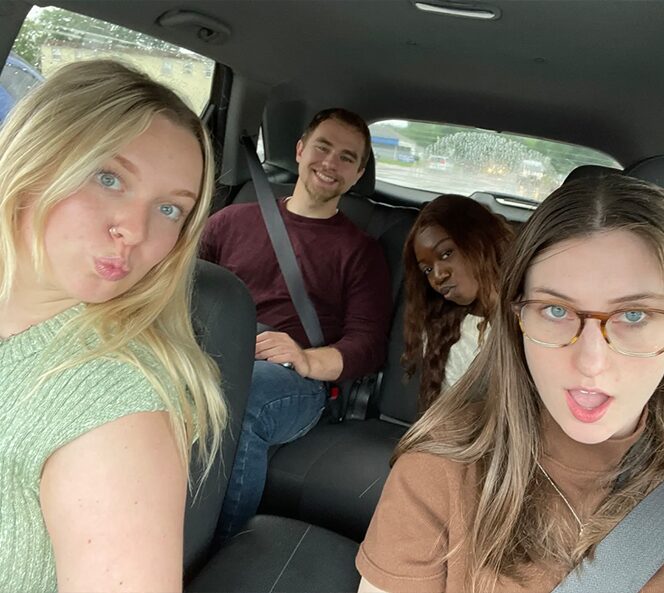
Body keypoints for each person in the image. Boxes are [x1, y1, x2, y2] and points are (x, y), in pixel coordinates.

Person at [356, 174, 664, 593]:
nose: (591, 363)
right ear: (518, 318)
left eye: (634, 315)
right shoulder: (438, 477)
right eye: (555, 310)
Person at [0, 60, 226, 592]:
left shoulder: (113, 403)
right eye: (109, 179)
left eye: (170, 210)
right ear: (35, 159)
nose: (134, 229)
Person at [200, 107, 392, 538]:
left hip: (293, 378)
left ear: (358, 173)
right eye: (322, 147)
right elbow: (186, 290)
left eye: (347, 157)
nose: (330, 162)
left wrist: (304, 358)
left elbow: (367, 345)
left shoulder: (361, 252)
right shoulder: (230, 221)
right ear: (301, 150)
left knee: (240, 400)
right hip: (212, 348)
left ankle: (217, 549)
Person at [402, 194, 514, 411]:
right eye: (427, 270)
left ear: (481, 238)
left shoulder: (535, 317)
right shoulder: (445, 333)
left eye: (446, 254)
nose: (437, 275)